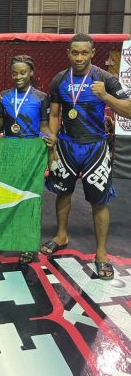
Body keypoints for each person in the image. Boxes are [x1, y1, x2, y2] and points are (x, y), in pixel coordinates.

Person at [42, 33, 131, 280]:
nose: (79, 57)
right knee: (62, 193)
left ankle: (101, 252)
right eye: (74, 52)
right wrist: (53, 141)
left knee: (99, 201)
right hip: (67, 146)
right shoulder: (60, 79)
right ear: (68, 53)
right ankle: (61, 235)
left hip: (95, 147)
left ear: (93, 53)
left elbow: (130, 110)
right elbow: (54, 114)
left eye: (84, 52)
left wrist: (106, 97)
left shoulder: (106, 78)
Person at [0, 55, 55, 264]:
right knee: (8, 196)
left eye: (23, 72)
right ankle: (7, 237)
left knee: (31, 199)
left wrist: (50, 141)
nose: (18, 76)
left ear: (31, 73)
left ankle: (28, 245)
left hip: (31, 154)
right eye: (14, 73)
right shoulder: (5, 96)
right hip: (9, 152)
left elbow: (44, 126)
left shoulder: (41, 97)